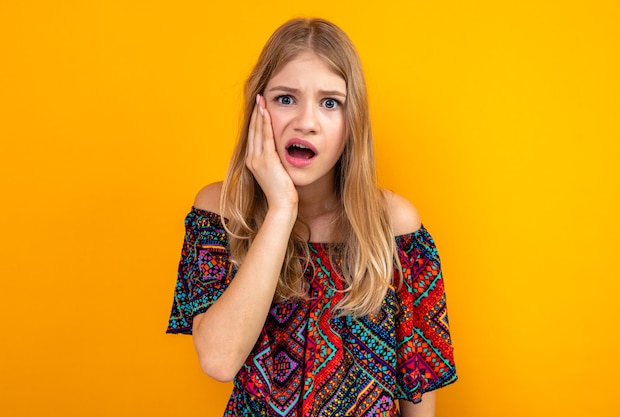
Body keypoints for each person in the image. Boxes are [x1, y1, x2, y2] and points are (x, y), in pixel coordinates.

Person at [167, 17, 457, 416]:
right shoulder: (220, 213)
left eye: (330, 102)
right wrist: (282, 209)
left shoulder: (395, 227)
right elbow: (218, 359)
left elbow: (417, 390)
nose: (306, 122)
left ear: (352, 121)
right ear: (259, 107)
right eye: (286, 98)